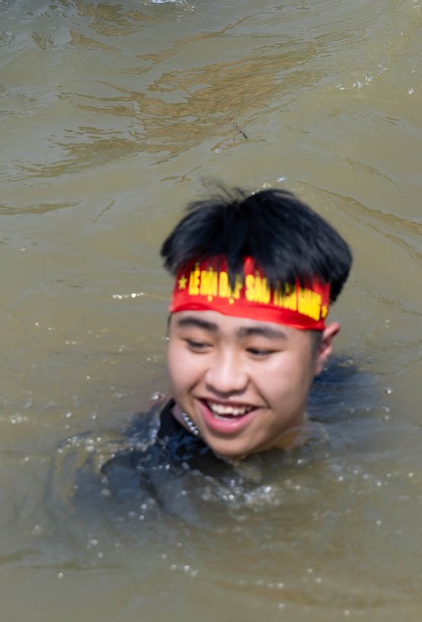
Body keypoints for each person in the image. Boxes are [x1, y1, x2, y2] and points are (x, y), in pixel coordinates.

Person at [102, 187, 353, 496]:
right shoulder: (137, 483)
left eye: (258, 350)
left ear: (321, 353)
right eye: (197, 343)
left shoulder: (348, 389)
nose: (223, 381)